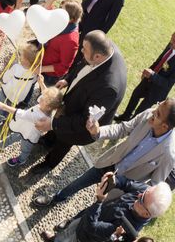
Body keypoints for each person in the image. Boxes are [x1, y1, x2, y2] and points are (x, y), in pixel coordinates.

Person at [34, 98, 175, 209]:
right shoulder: (148, 114)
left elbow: (154, 185)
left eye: (157, 114)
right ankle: (58, 197)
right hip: (110, 162)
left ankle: (71, 224)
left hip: (123, 183)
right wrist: (98, 131)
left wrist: (131, 196)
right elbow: (123, 128)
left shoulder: (168, 154)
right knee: (80, 181)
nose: (153, 111)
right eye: (157, 105)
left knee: (99, 206)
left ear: (164, 126)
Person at [30, 30, 127, 174]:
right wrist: (68, 79)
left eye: (84, 49)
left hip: (82, 127)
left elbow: (83, 121)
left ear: (98, 56)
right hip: (76, 102)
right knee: (59, 126)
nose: (81, 51)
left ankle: (49, 163)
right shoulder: (102, 49)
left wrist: (52, 124)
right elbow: (82, 64)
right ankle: (49, 140)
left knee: (64, 140)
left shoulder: (108, 87)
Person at [40, 172, 172, 242]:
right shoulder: (146, 192)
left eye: (142, 199)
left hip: (85, 236)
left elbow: (92, 227)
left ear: (147, 214)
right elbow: (127, 183)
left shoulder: (127, 229)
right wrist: (114, 180)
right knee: (70, 228)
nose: (138, 195)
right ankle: (55, 239)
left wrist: (98, 201)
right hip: (89, 216)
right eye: (143, 192)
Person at [0, 78, 63, 167]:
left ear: (48, 107)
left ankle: (21, 159)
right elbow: (44, 92)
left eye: (43, 99)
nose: (40, 98)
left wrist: (3, 106)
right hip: (23, 128)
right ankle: (0, 145)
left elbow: (21, 113)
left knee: (25, 149)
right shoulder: (46, 107)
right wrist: (41, 82)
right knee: (12, 137)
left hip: (29, 136)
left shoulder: (39, 116)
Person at [116, 32, 175, 122]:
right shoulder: (171, 45)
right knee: (135, 94)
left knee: (141, 110)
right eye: (172, 38)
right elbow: (160, 60)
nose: (171, 42)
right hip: (149, 78)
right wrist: (149, 70)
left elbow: (168, 84)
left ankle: (131, 125)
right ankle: (125, 116)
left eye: (174, 41)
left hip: (157, 91)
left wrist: (153, 75)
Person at [0, 42, 40, 125]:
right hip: (19, 96)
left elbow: (6, 77)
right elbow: (33, 82)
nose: (20, 57)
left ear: (25, 60)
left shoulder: (17, 67)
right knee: (10, 106)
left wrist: (4, 82)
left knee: (1, 103)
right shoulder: (34, 72)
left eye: (21, 56)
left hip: (7, 91)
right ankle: (5, 116)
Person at [39, 0, 82, 87]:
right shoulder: (61, 21)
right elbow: (44, 12)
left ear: (71, 19)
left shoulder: (70, 41)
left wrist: (40, 69)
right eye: (59, 8)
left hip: (50, 76)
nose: (58, 12)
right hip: (42, 65)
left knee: (44, 94)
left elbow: (63, 67)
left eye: (62, 11)